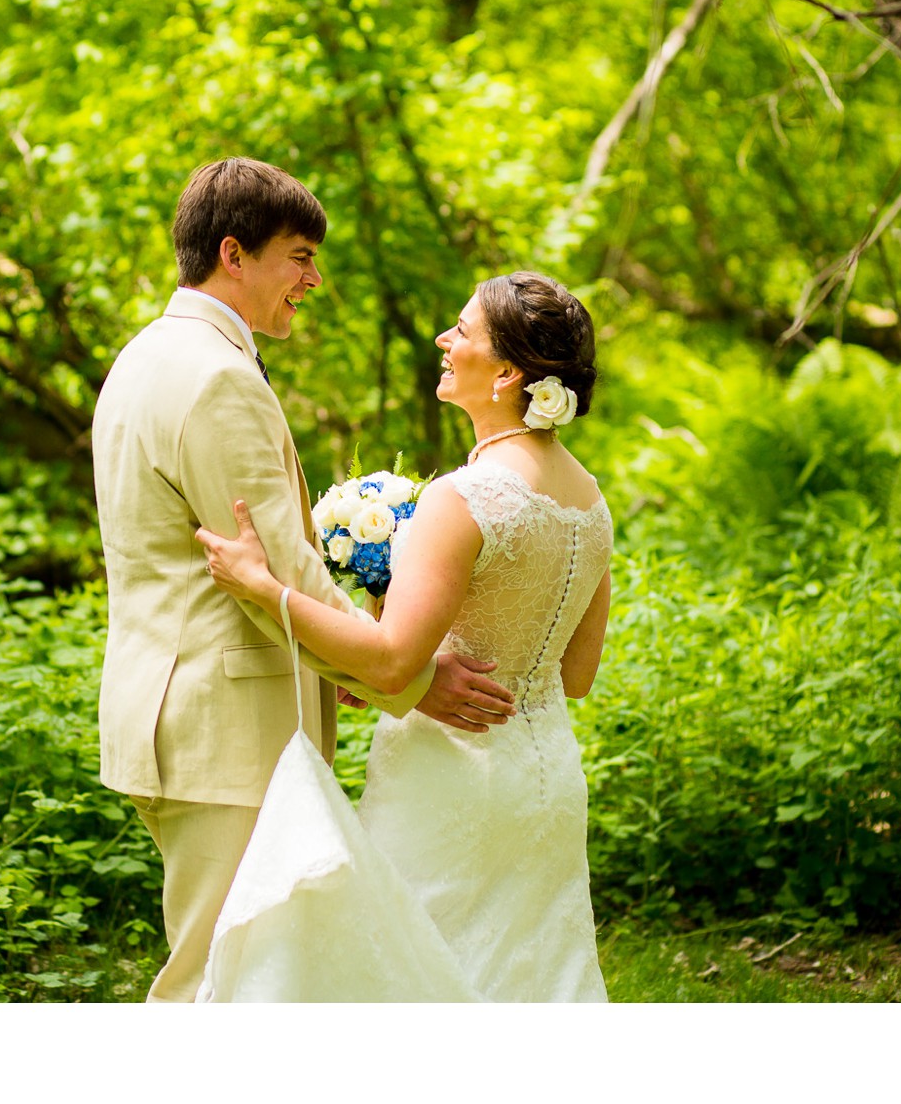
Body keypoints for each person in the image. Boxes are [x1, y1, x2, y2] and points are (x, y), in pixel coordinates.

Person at [90, 158, 516, 1003]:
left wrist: (346, 658)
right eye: (299, 256)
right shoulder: (217, 379)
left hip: (184, 716)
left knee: (252, 979)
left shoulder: (147, 355)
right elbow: (275, 570)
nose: (313, 279)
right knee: (216, 983)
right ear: (234, 253)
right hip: (226, 730)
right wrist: (404, 671)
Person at [194, 271, 612, 1002]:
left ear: (510, 373)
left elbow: (393, 664)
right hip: (547, 783)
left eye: (463, 333)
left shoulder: (463, 498)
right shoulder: (591, 499)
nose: (445, 343)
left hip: (448, 783)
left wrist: (263, 586)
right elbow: (575, 675)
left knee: (409, 978)